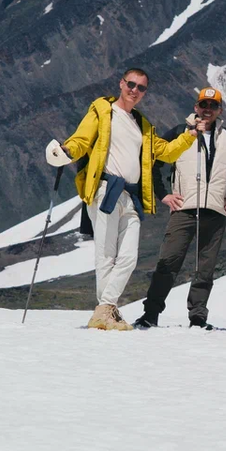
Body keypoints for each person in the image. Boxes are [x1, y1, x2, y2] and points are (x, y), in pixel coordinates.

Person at [58, 69, 200, 331]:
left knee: (128, 257)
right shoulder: (103, 111)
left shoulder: (141, 125)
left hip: (131, 196)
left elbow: (166, 152)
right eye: (131, 84)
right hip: (105, 189)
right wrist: (66, 150)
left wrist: (188, 136)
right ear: (121, 84)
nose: (135, 90)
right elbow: (82, 140)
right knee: (106, 255)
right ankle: (106, 312)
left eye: (141, 88)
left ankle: (104, 310)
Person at [132, 87, 226, 330]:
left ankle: (198, 317)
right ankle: (151, 313)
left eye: (213, 105)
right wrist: (163, 194)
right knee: (168, 262)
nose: (208, 109)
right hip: (184, 209)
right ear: (196, 107)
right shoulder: (179, 132)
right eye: (203, 105)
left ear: (219, 110)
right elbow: (153, 161)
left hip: (215, 210)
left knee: (205, 267)